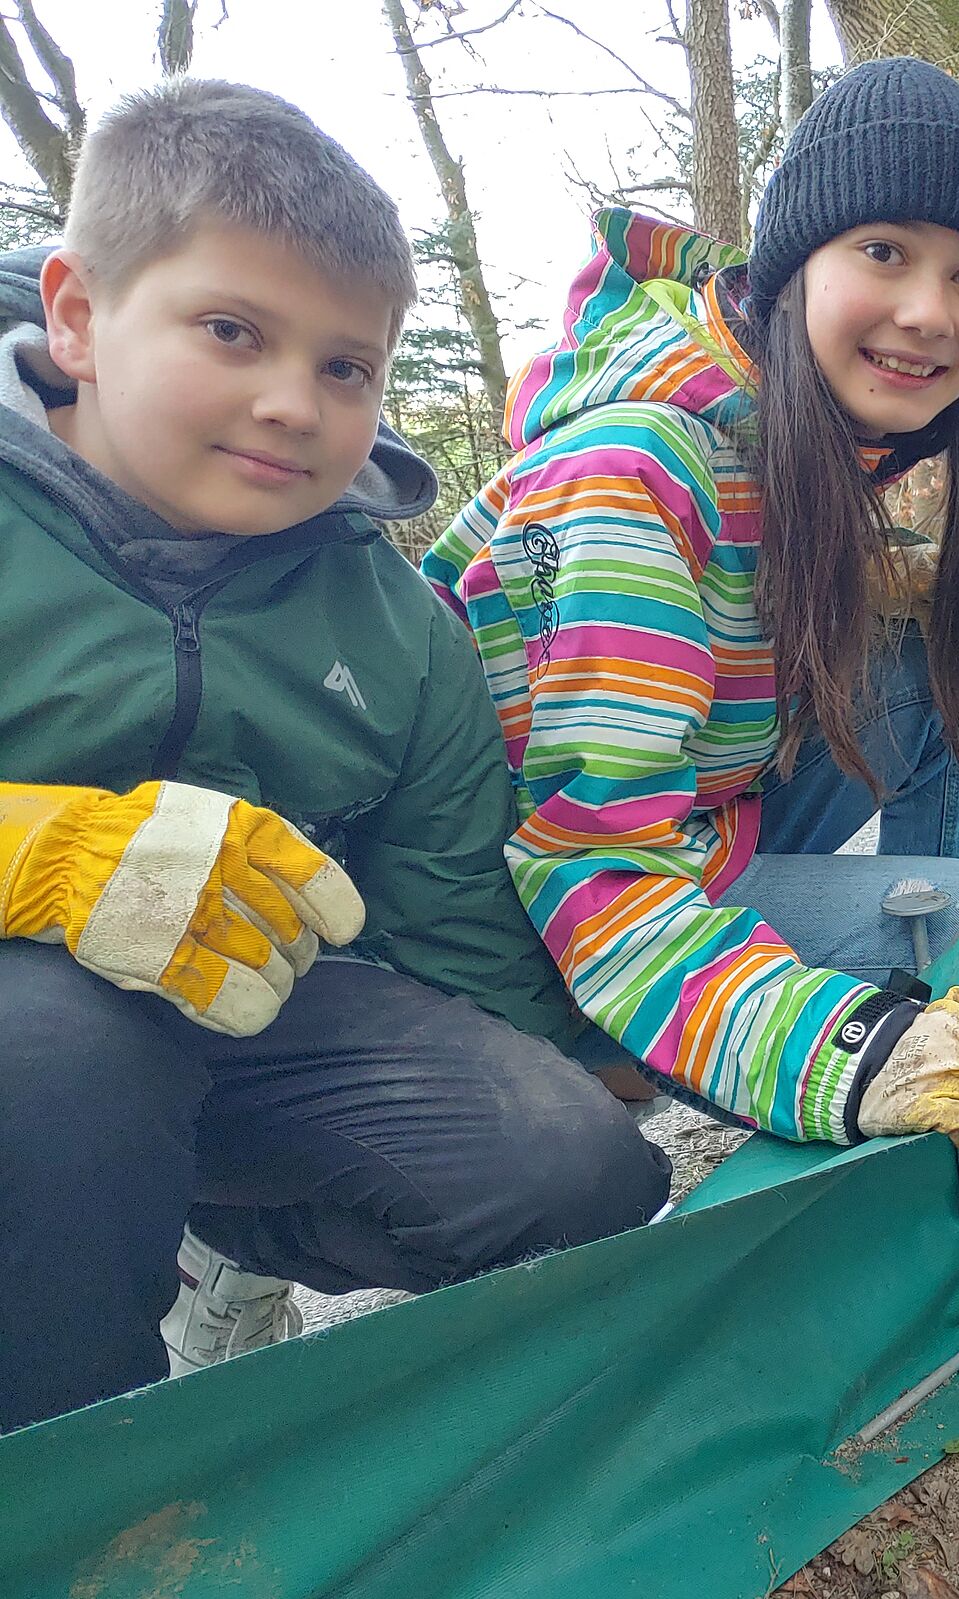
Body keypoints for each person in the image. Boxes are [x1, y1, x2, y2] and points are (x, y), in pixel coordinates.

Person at [0, 80, 667, 1436]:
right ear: (78, 316)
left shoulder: (394, 619)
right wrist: (36, 849)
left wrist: (594, 1064)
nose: (293, 404)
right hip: (31, 1043)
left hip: (250, 1014)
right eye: (232, 331)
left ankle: (216, 1248)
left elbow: (451, 914)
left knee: (581, 1172)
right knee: (59, 1063)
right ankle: (86, 1514)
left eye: (345, 366)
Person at [424, 57, 959, 1155]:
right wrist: (846, 1052)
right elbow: (590, 860)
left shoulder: (789, 430)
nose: (927, 313)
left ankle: (945, 923)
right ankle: (910, 969)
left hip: (687, 825)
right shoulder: (638, 468)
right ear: (793, 264)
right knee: (948, 934)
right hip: (531, 917)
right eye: (885, 251)